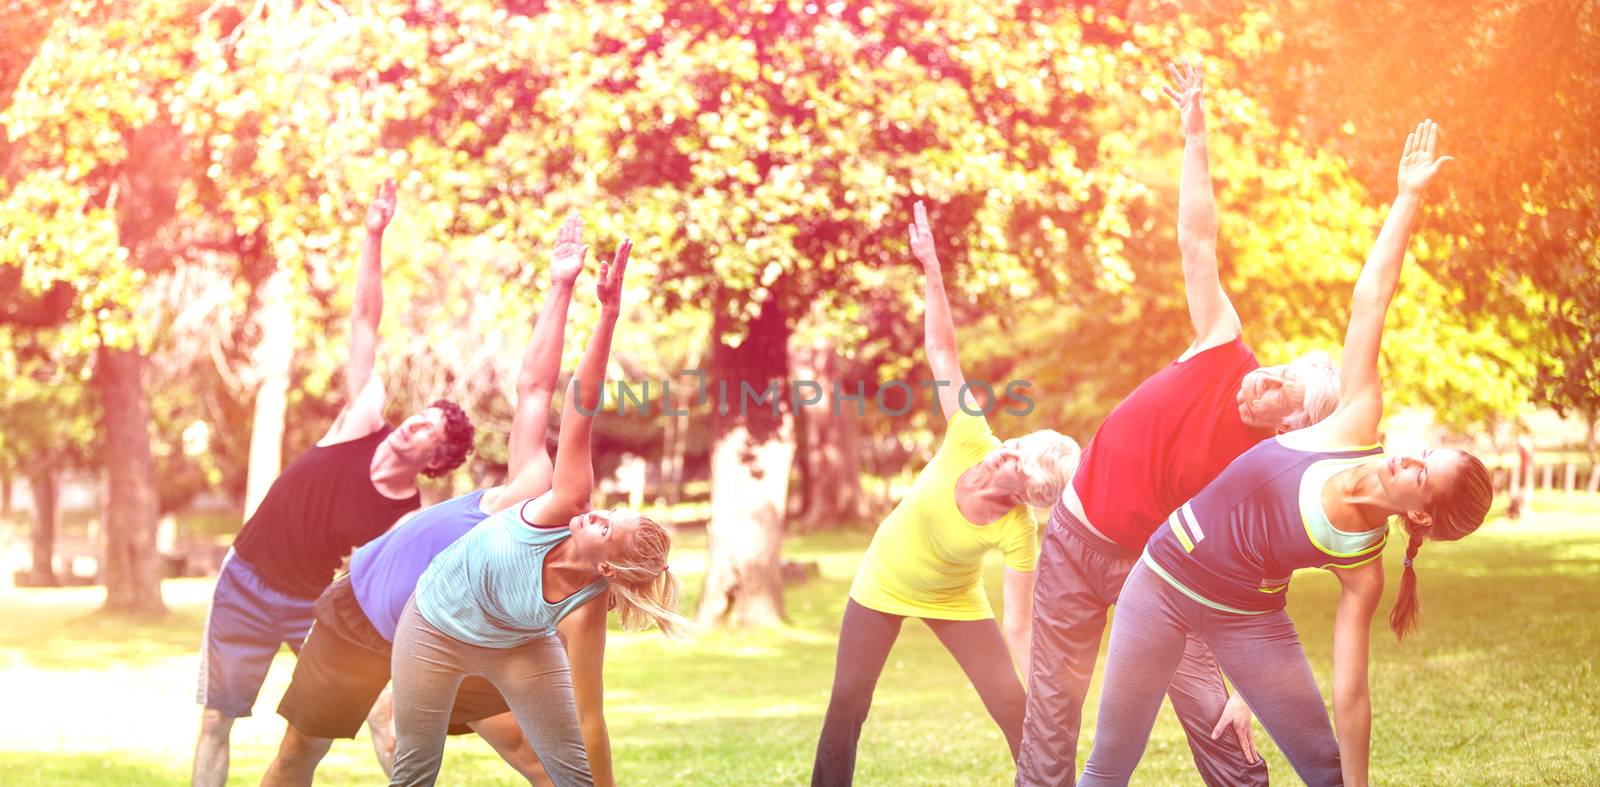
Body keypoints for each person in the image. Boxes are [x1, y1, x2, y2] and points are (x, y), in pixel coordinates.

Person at [1078, 119, 1489, 787]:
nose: (1408, 459)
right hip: (1160, 582)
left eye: (1422, 474)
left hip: (1247, 618)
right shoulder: (1356, 419)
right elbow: (1371, 299)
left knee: (1327, 771)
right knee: (1109, 766)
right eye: (1423, 452)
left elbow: (1352, 696)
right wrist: (1408, 196)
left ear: (1420, 516)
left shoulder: (1362, 566)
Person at [1015, 57, 1345, 786]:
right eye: (1281, 370)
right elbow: (1198, 240)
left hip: (1159, 575)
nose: (1268, 381)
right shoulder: (1224, 340)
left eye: (1284, 394)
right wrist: (1195, 134)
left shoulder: (1259, 473)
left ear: (1291, 423)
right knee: (1052, 718)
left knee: (1214, 717)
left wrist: (1254, 694)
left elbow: (1258, 596)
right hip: (1073, 538)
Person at [261, 212, 595, 786]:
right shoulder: (528, 489)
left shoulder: (550, 590)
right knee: (298, 754)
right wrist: (562, 287)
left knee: (532, 752)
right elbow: (536, 387)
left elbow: (581, 702)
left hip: (456, 640)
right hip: (358, 619)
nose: (589, 515)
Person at [192, 178, 474, 787]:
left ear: (435, 460)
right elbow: (364, 321)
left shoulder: (402, 515)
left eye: (427, 432)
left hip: (312, 609)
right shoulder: (361, 423)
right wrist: (372, 236)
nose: (411, 428)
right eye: (417, 417)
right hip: (245, 580)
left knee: (381, 713)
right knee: (217, 719)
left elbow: (390, 582)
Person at [388, 235, 689, 787]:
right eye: (610, 511)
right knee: (415, 767)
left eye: (607, 529)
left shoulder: (589, 602)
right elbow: (582, 404)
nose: (597, 515)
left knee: (571, 771)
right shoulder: (567, 502)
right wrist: (608, 314)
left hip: (515, 646)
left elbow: (590, 718)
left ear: (608, 570)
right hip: (432, 625)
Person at [809, 201, 1081, 786]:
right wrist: (931, 268)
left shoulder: (1018, 530)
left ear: (1029, 488)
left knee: (1011, 705)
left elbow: (1019, 625)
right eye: (1018, 443)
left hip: (955, 600)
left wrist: (1047, 697)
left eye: (1019, 460)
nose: (1007, 449)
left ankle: (1050, 781)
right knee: (848, 704)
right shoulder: (970, 434)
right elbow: (942, 355)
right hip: (882, 579)